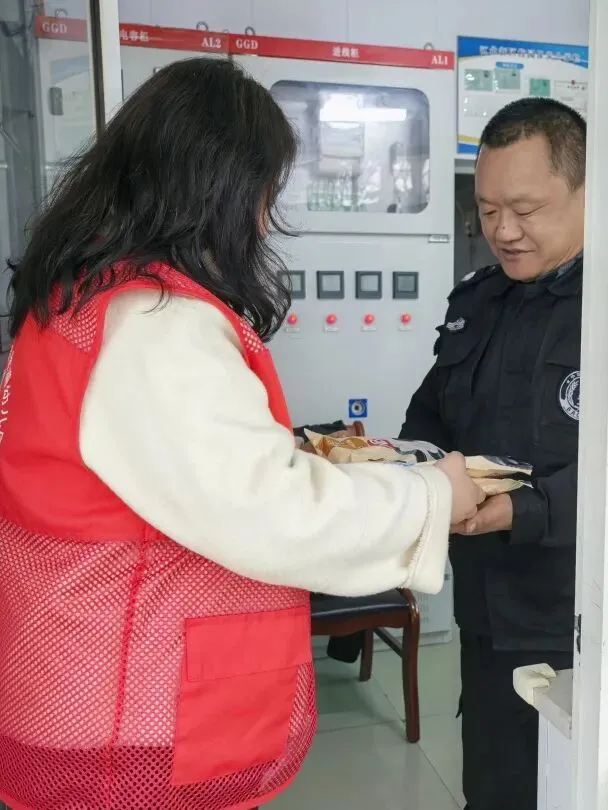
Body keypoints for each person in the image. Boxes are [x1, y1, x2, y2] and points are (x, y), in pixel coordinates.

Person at [0, 58, 483, 810]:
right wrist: (431, 496)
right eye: (263, 194)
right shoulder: (154, 326)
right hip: (133, 726)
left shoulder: (78, 300)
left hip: (89, 684)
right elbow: (271, 510)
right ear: (217, 189)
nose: (262, 222)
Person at [400, 97, 585, 810]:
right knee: (498, 788)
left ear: (587, 190)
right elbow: (430, 416)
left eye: (525, 209)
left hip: (578, 621)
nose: (503, 231)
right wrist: (409, 477)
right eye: (486, 210)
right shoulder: (478, 301)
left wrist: (521, 510)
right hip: (486, 613)